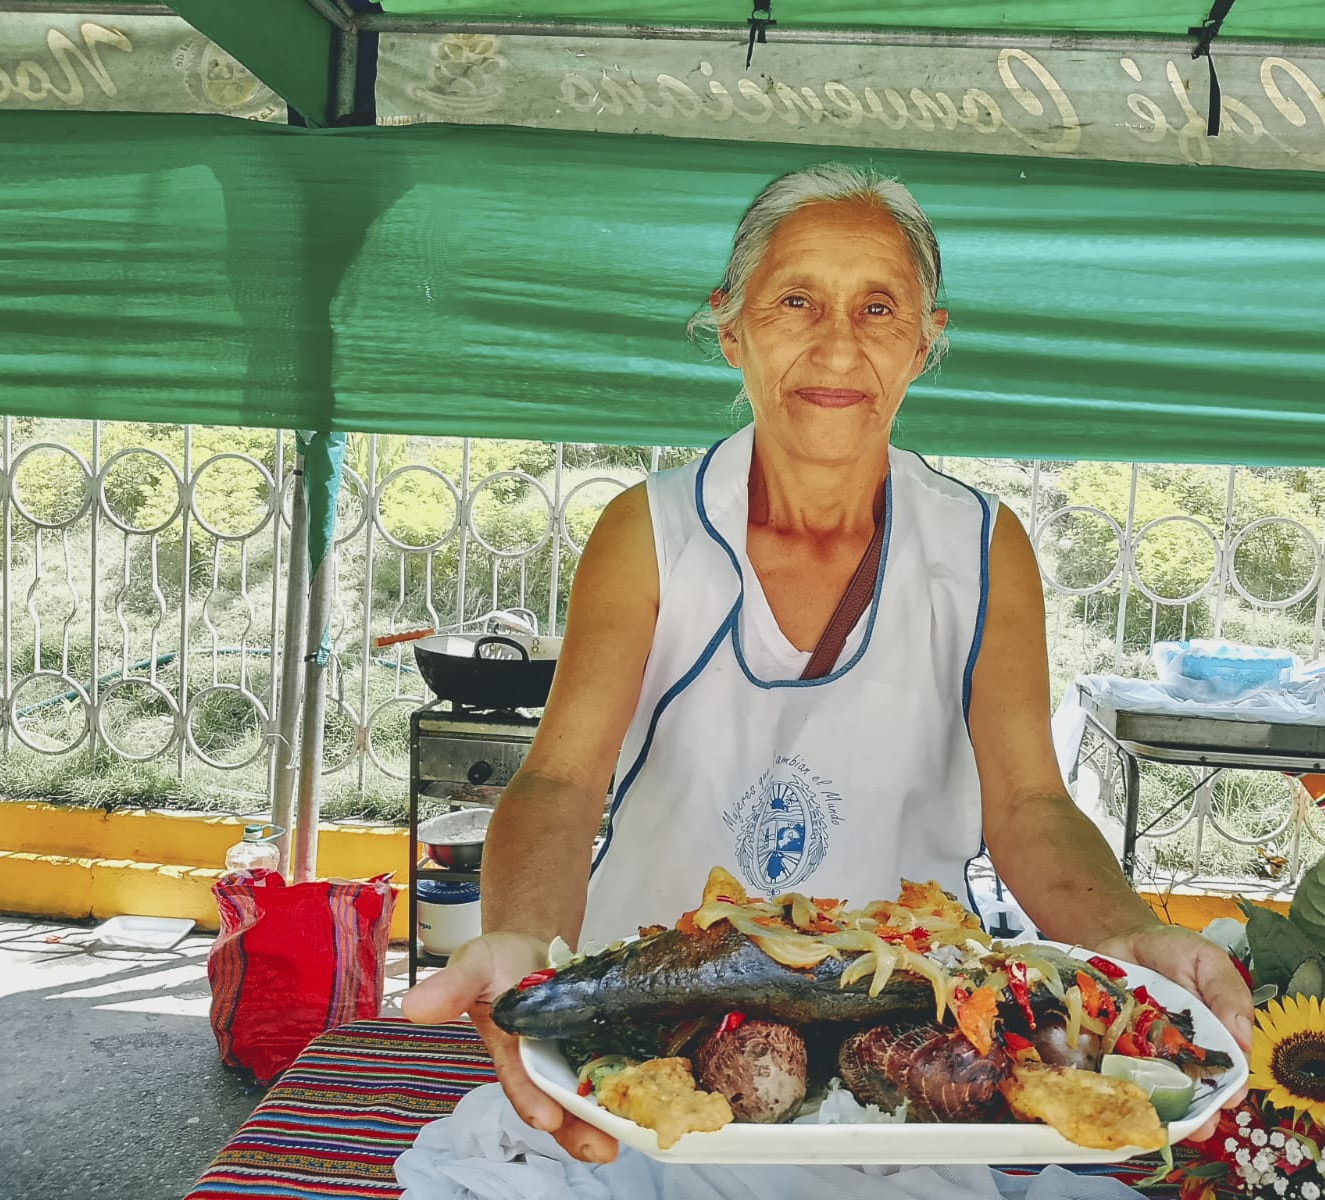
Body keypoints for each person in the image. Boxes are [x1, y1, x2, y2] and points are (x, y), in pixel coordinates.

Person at [403, 163, 1253, 1164]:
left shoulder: (982, 550)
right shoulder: (653, 534)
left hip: (897, 1075)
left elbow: (1029, 805)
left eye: (879, 307)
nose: (837, 344)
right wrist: (529, 946)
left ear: (927, 338)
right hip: (644, 1060)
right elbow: (557, 780)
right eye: (795, 300)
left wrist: (1123, 935)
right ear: (730, 326)